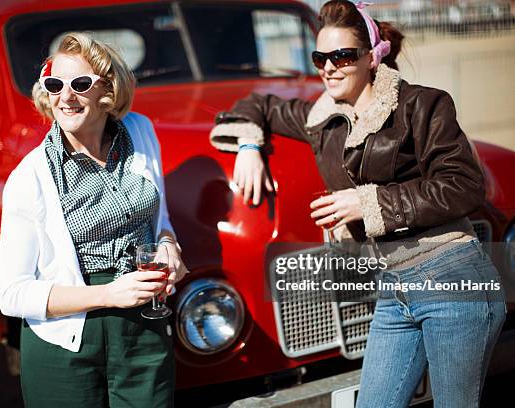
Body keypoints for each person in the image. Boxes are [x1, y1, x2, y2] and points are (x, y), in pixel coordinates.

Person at [209, 1, 506, 407]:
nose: (329, 67)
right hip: (393, 287)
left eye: (343, 55)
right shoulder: (322, 119)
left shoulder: (422, 104)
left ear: (372, 57)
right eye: (320, 58)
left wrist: (368, 204)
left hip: (449, 274)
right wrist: (247, 145)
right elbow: (258, 104)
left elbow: (464, 185)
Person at [0, 32, 187, 407]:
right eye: (54, 85)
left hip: (144, 327)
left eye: (80, 84)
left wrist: (168, 244)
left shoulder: (142, 132)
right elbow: (12, 294)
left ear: (108, 90)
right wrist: (108, 294)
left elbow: (160, 217)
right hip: (65, 346)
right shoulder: (29, 176)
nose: (65, 97)